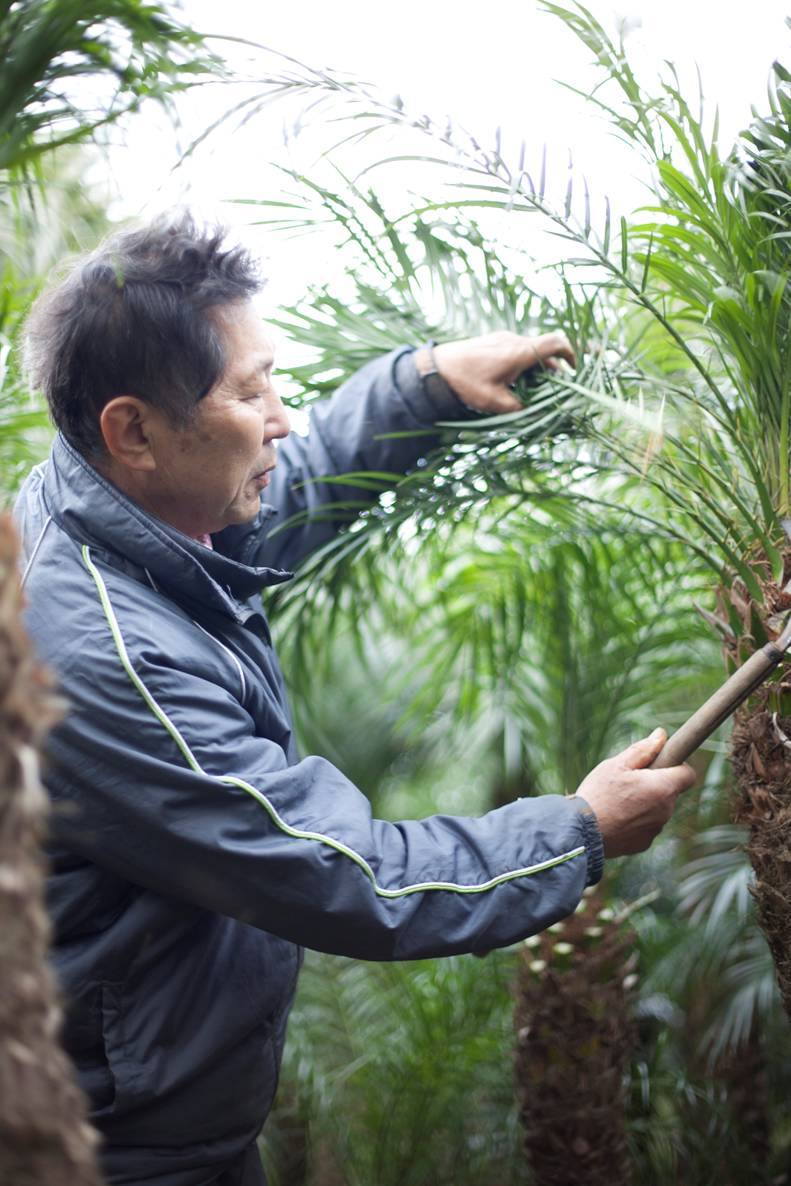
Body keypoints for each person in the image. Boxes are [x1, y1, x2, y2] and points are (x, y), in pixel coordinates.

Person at [15, 214, 695, 1186]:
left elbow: (290, 481)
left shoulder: (118, 504)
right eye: (249, 392)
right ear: (133, 429)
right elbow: (342, 874)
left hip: (164, 1118)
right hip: (118, 1151)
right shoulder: (106, 660)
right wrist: (575, 833)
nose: (281, 415)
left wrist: (425, 381)